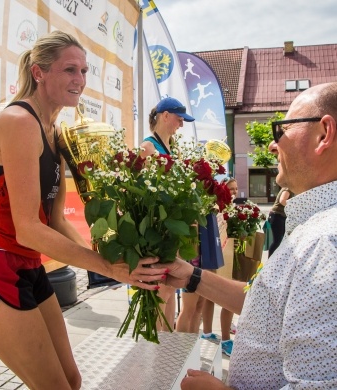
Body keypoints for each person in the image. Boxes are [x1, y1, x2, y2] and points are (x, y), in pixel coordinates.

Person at [0, 31, 167, 390]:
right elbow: (28, 229)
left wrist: (111, 251)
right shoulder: (20, 122)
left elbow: (51, 220)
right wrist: (107, 269)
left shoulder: (56, 132)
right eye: (70, 70)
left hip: (26, 263)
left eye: (84, 71)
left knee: (71, 379)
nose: (80, 80)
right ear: (39, 73)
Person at [156, 82, 337, 389]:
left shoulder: (325, 243)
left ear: (324, 134)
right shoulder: (317, 229)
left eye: (281, 130)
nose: (271, 144)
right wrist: (191, 276)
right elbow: (269, 305)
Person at [140, 97, 195, 331]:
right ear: (164, 116)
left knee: (171, 288)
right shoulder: (148, 147)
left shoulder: (174, 148)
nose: (181, 125)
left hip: (172, 227)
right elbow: (139, 189)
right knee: (162, 290)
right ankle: (154, 348)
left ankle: (166, 343)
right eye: (178, 119)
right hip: (157, 228)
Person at [200, 178, 238, 357]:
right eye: (230, 189)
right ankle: (210, 334)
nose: (234, 193)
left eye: (236, 189)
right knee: (210, 295)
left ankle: (223, 336)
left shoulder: (232, 209)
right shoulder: (214, 209)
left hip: (226, 255)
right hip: (212, 255)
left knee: (223, 294)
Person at [268, 187, 294, 256]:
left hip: (280, 216)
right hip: (277, 216)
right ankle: (270, 261)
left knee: (281, 240)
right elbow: (282, 200)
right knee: (277, 241)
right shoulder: (287, 189)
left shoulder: (289, 188)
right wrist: (294, 206)